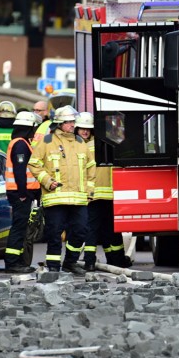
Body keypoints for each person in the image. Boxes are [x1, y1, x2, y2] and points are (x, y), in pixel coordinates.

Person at [28, 107, 94, 276]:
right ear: (60, 123)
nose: (73, 125)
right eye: (69, 122)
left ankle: (70, 262)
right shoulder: (47, 142)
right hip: (55, 198)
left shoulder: (80, 143)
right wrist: (47, 181)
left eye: (73, 122)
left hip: (79, 198)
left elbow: (90, 167)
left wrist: (89, 190)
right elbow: (34, 164)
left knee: (80, 231)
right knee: (54, 232)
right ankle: (53, 265)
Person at [76, 111, 131, 271]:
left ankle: (97, 261)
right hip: (99, 194)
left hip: (97, 194)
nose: (85, 131)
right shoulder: (104, 144)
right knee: (107, 229)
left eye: (87, 129)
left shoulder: (81, 147)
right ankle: (114, 260)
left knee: (101, 229)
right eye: (81, 129)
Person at [3, 111, 41, 274]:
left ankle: (17, 261)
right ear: (29, 127)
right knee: (19, 227)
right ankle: (12, 262)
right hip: (20, 194)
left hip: (20, 193)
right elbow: (19, 170)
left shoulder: (21, 143)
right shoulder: (20, 144)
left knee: (21, 226)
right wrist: (23, 191)